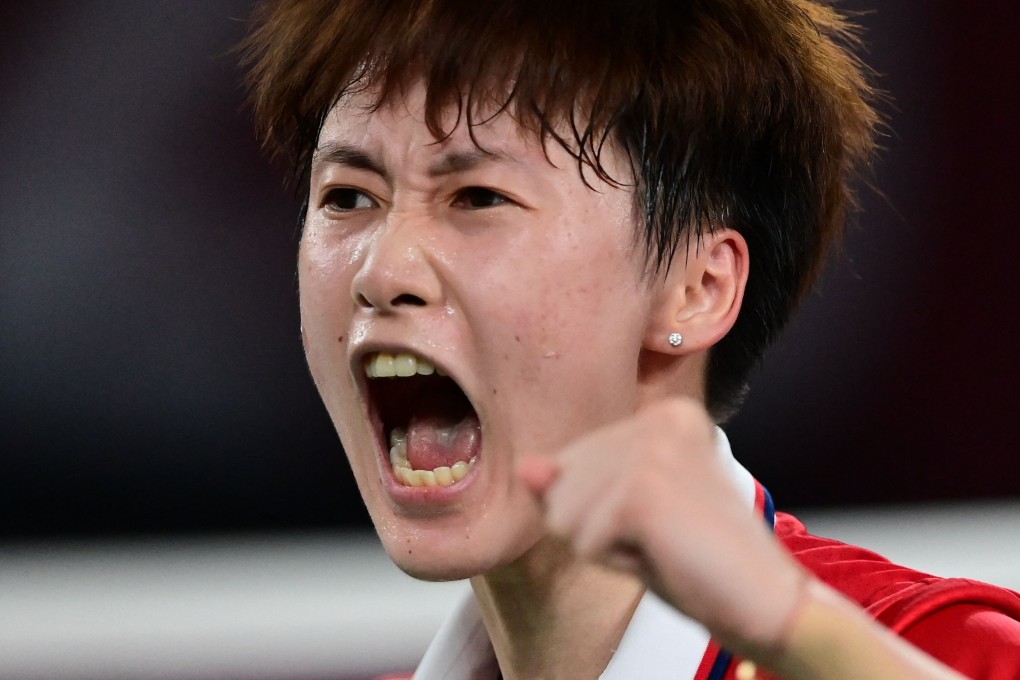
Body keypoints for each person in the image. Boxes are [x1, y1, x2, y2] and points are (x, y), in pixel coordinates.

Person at [241, 1, 1020, 678]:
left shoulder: (951, 652)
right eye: (348, 196)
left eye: (477, 197)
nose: (383, 269)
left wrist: (798, 633)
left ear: (698, 287)